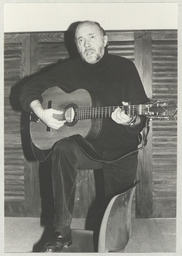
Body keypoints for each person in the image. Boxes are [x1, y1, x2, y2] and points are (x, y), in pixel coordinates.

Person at [20, 20, 149, 252]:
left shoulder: (124, 68)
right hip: (86, 147)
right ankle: (61, 231)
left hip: (120, 148)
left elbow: (142, 116)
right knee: (62, 148)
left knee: (113, 232)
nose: (85, 44)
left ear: (105, 40)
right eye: (80, 40)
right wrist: (42, 113)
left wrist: (131, 120)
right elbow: (26, 89)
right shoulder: (67, 70)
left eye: (91, 37)